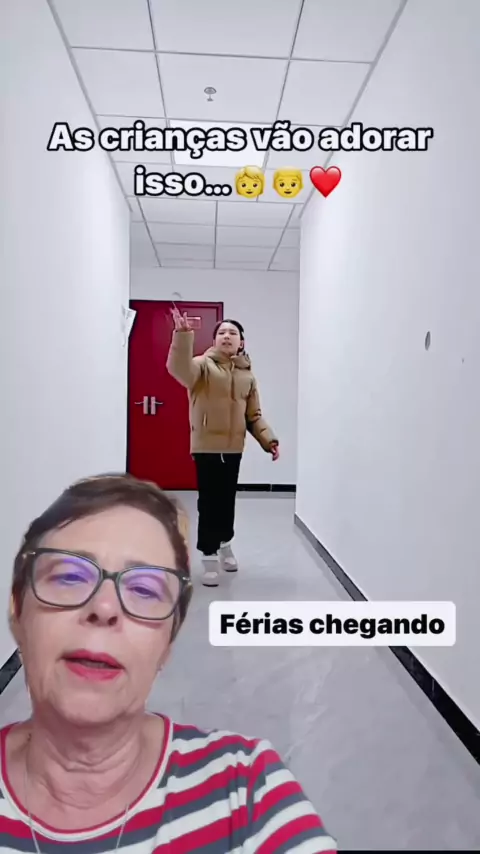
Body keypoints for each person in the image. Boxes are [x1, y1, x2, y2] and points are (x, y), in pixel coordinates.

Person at [1, 473, 337, 853]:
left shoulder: (247, 792)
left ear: (169, 642)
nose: (104, 607)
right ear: (17, 611)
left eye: (144, 589)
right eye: (69, 577)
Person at [167, 310, 279, 587]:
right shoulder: (201, 367)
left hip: (233, 449)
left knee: (227, 501)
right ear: (215, 339)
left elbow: (253, 415)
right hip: (206, 448)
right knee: (209, 503)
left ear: (241, 342)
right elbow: (178, 369)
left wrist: (269, 441)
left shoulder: (247, 376)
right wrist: (182, 335)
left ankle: (225, 544)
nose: (226, 336)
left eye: (232, 333)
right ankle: (208, 556)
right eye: (221, 333)